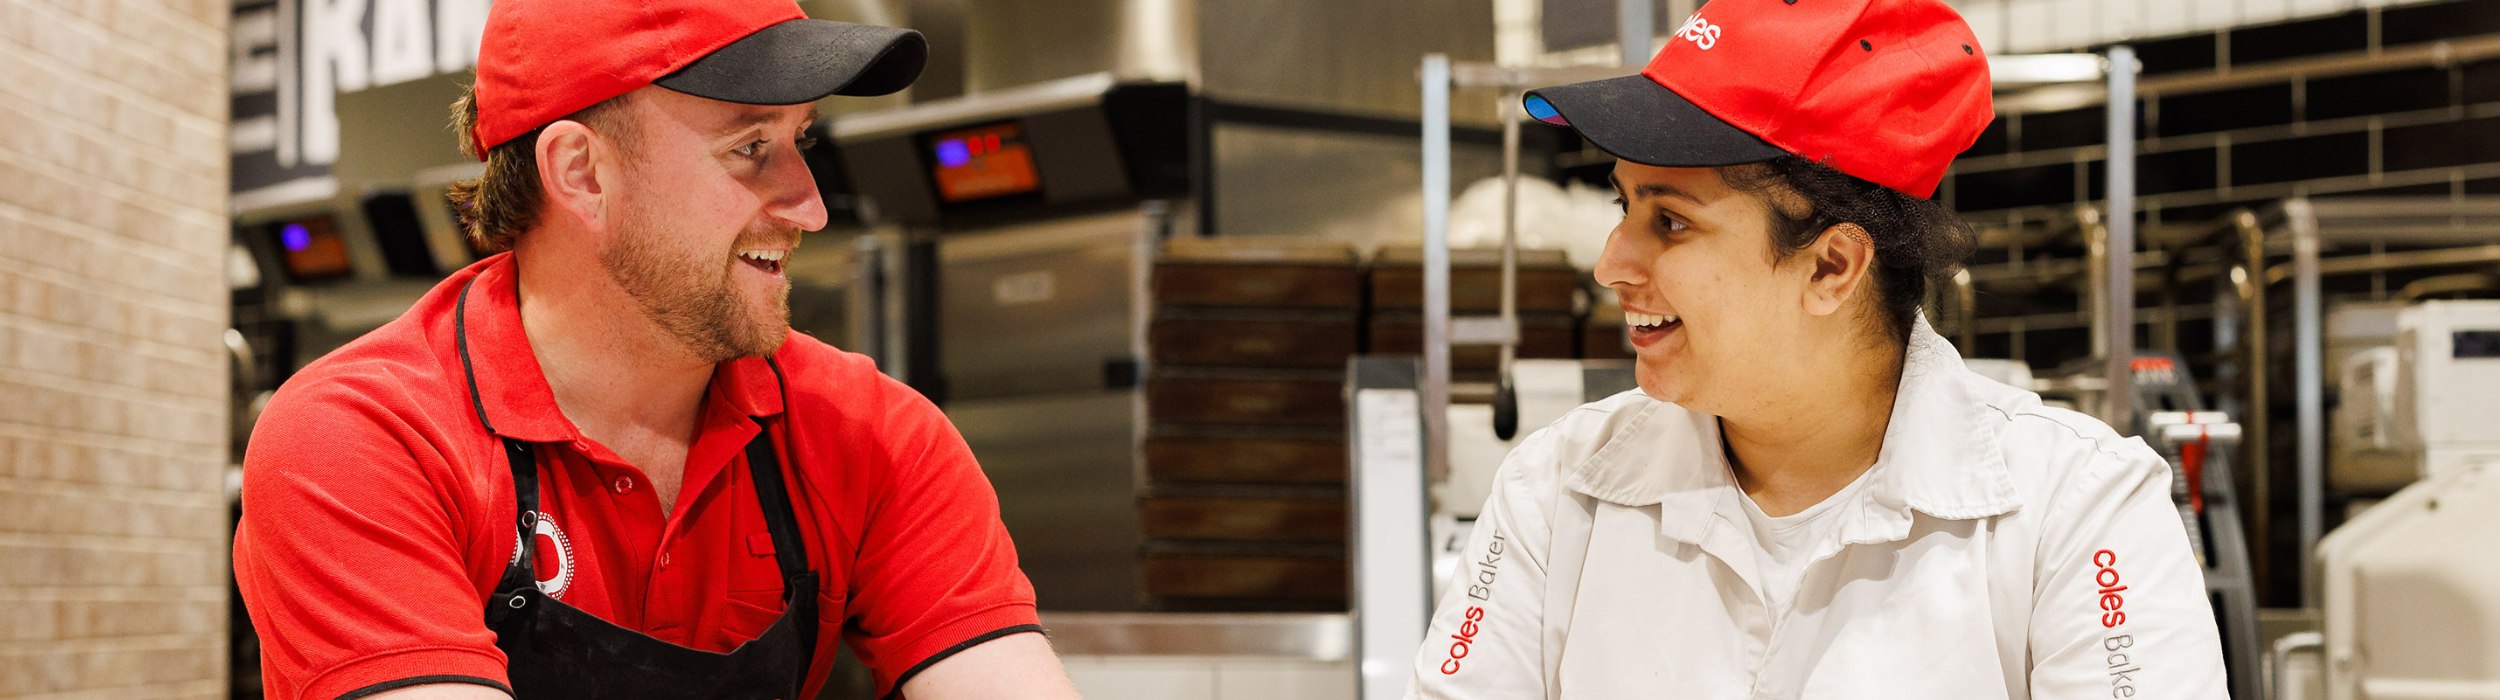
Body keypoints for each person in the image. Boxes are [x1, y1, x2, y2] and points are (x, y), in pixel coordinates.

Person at [231, 2, 1082, 698]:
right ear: (582, 174)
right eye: (751, 148)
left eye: (803, 141)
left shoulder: (872, 434)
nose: (811, 206)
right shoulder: (362, 439)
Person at [1407, 0, 2229, 697]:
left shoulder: (2075, 509)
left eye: (1670, 221)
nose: (1611, 265)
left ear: (1831, 266)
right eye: (1623, 207)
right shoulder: (1558, 496)